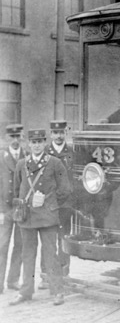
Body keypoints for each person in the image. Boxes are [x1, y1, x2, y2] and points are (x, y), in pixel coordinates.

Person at [10, 129, 71, 306]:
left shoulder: (55, 163)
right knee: (27, 254)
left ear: (45, 143)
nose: (36, 145)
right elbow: (16, 189)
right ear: (28, 144)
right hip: (27, 217)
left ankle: (57, 291)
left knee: (50, 254)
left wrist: (49, 202)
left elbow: (65, 189)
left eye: (40, 142)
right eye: (33, 142)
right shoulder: (22, 164)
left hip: (47, 216)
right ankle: (26, 291)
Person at [38, 120, 74, 290]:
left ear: (65, 133)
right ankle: (45, 276)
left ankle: (64, 274)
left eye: (62, 133)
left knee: (64, 238)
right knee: (48, 239)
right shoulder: (44, 152)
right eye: (55, 133)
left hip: (66, 204)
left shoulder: (72, 152)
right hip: (49, 204)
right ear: (51, 134)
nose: (59, 136)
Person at [0, 124, 25, 293]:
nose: (15, 140)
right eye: (12, 137)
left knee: (20, 245)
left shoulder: (27, 156)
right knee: (2, 245)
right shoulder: (1, 157)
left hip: (22, 209)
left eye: (18, 137)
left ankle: (13, 280)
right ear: (7, 138)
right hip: (5, 209)